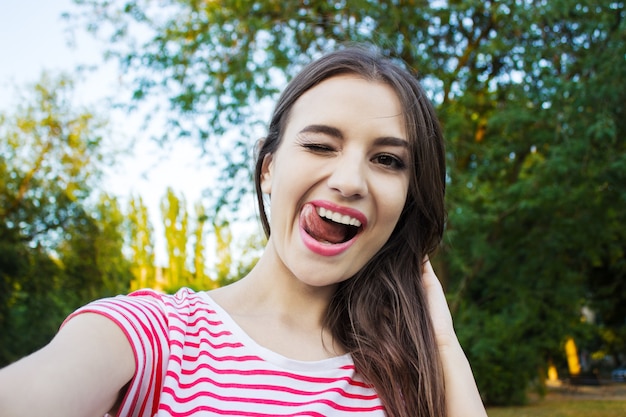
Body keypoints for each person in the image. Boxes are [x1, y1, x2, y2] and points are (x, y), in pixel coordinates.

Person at [0, 46, 487, 417]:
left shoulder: (406, 376)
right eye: (320, 145)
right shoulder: (156, 336)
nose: (349, 181)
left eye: (386, 160)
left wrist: (442, 341)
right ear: (268, 168)